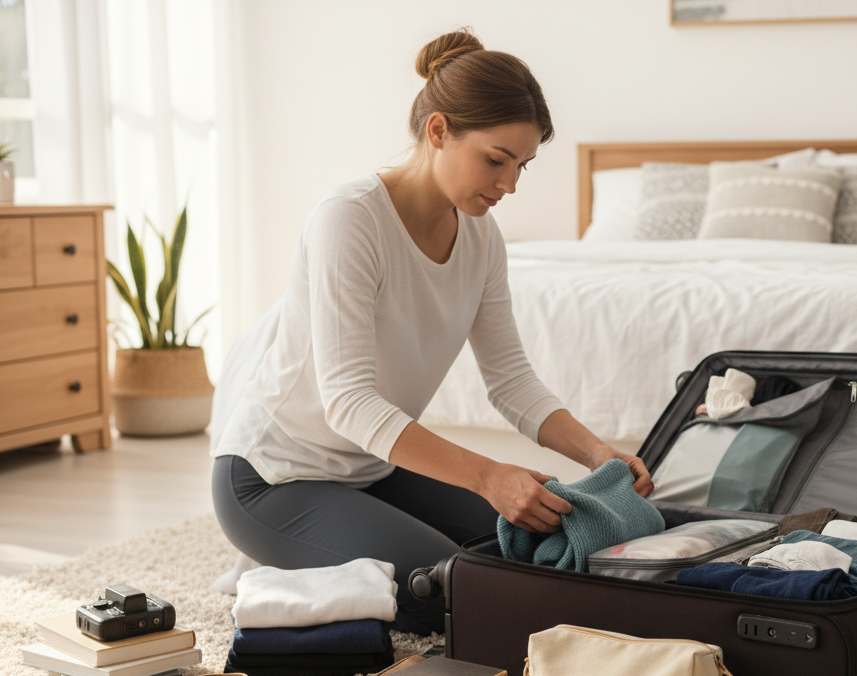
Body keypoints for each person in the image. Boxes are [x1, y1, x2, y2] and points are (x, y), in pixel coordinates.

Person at [211, 29, 652, 635]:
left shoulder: (480, 238)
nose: (510, 185)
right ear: (439, 130)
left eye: (520, 166)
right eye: (496, 160)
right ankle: (284, 568)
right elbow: (348, 401)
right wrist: (490, 475)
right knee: (461, 589)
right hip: (274, 478)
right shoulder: (350, 220)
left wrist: (597, 451)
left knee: (522, 551)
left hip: (372, 470)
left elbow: (512, 381)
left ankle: (327, 553)